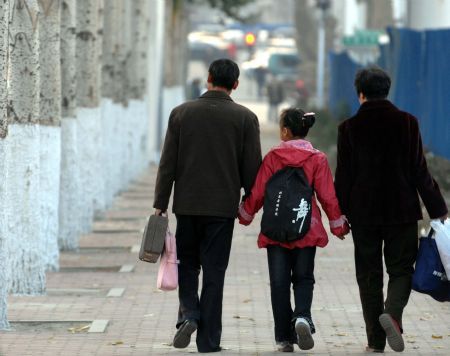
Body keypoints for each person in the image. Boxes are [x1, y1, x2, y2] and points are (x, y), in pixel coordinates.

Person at [334, 66, 448, 353]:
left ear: (360, 93)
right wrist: (437, 209)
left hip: (364, 214)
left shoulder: (348, 128)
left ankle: (375, 341)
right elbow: (420, 170)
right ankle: (393, 314)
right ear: (387, 90)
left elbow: (344, 175)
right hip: (402, 211)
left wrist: (339, 214)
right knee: (401, 270)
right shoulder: (407, 123)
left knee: (369, 274)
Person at [153, 58, 262, 353]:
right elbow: (253, 169)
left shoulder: (181, 114)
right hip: (221, 209)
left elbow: (167, 165)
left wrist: (160, 204)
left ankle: (189, 314)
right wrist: (249, 203)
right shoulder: (245, 118)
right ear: (236, 85)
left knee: (187, 264)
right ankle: (209, 341)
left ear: (208, 78)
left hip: (187, 205)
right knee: (214, 272)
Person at [238, 108, 349, 352]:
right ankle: (302, 317)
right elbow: (327, 196)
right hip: (306, 228)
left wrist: (245, 214)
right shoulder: (317, 159)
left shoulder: (273, 157)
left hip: (276, 229)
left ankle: (283, 338)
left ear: (286, 131)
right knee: (303, 278)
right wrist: (337, 224)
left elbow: (258, 193)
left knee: (279, 284)